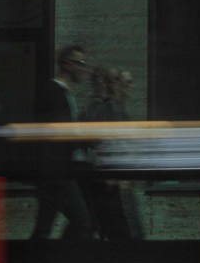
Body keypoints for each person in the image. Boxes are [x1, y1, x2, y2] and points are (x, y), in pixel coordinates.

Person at [28, 45, 97, 241]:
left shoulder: (64, 93)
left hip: (60, 170)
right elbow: (55, 134)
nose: (84, 69)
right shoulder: (53, 92)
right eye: (81, 63)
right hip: (57, 171)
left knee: (45, 226)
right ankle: (59, 262)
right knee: (83, 222)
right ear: (67, 63)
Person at [87, 65, 146, 241]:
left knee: (121, 227)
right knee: (124, 229)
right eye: (126, 82)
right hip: (115, 179)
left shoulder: (115, 108)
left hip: (118, 177)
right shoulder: (108, 108)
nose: (130, 86)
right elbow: (104, 143)